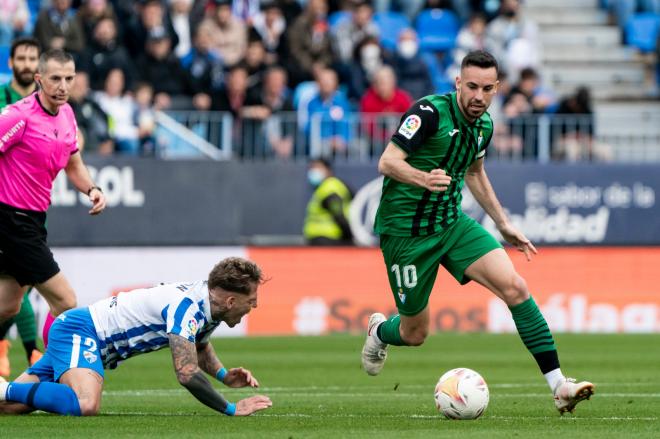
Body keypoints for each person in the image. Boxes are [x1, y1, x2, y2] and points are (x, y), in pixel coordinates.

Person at [360, 50, 594, 415]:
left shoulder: (485, 125)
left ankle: (559, 385)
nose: (478, 96)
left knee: (516, 287)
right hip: (406, 233)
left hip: (451, 224)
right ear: (458, 83)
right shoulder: (428, 113)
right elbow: (387, 161)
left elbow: (474, 172)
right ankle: (378, 332)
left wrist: (502, 223)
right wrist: (423, 177)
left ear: (497, 89)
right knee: (414, 334)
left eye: (486, 89)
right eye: (471, 86)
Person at [0, 257, 273, 417]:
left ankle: (4, 391)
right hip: (81, 331)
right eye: (251, 300)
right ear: (230, 300)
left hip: (85, 336)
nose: (255, 306)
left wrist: (224, 375)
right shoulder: (188, 307)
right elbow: (187, 373)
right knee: (86, 403)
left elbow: (199, 348)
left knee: (10, 407)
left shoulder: (207, 306)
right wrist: (230, 408)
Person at [0, 49, 107, 346]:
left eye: (69, 78)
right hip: (11, 220)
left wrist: (92, 189)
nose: (63, 86)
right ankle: (43, 371)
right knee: (66, 302)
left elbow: (73, 163)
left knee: (7, 305)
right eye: (55, 78)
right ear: (39, 79)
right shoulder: (18, 116)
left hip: (33, 221)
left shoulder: (68, 115)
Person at [0, 37, 45, 378]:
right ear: (12, 61)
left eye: (33, 58)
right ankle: (32, 354)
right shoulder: (4, 99)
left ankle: (6, 347)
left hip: (32, 203)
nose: (28, 64)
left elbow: (75, 142)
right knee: (20, 281)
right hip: (5, 204)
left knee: (18, 285)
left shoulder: (48, 103)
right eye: (22, 58)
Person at [303, 158, 353, 246]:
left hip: (329, 241)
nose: (314, 171)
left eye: (318, 168)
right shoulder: (322, 188)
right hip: (320, 239)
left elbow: (338, 215)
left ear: (328, 171)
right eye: (312, 168)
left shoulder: (330, 188)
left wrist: (349, 238)